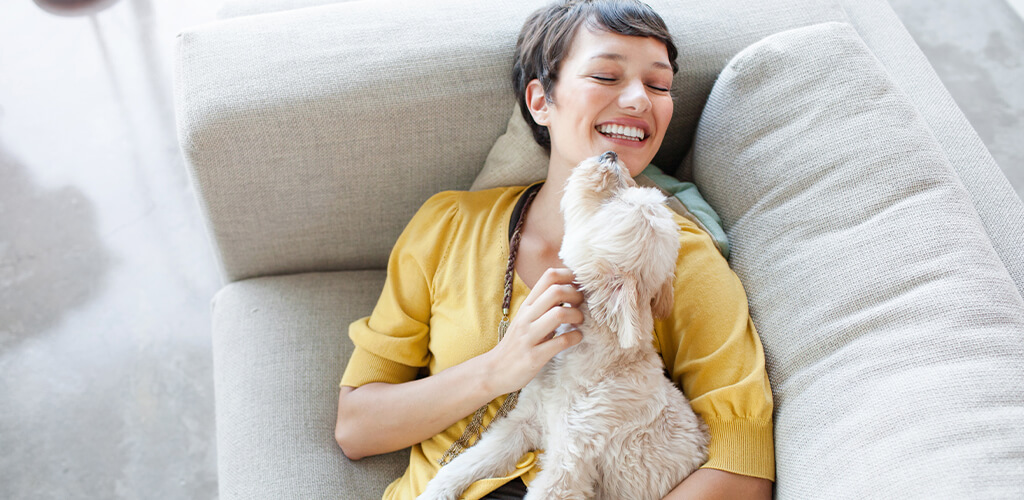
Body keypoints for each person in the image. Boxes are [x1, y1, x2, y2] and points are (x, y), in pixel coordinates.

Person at [334, 1, 775, 499]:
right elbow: (357, 429)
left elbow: (742, 469)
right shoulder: (449, 226)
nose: (638, 100)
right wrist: (499, 368)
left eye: (658, 85)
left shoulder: (678, 258)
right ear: (541, 101)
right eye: (607, 76)